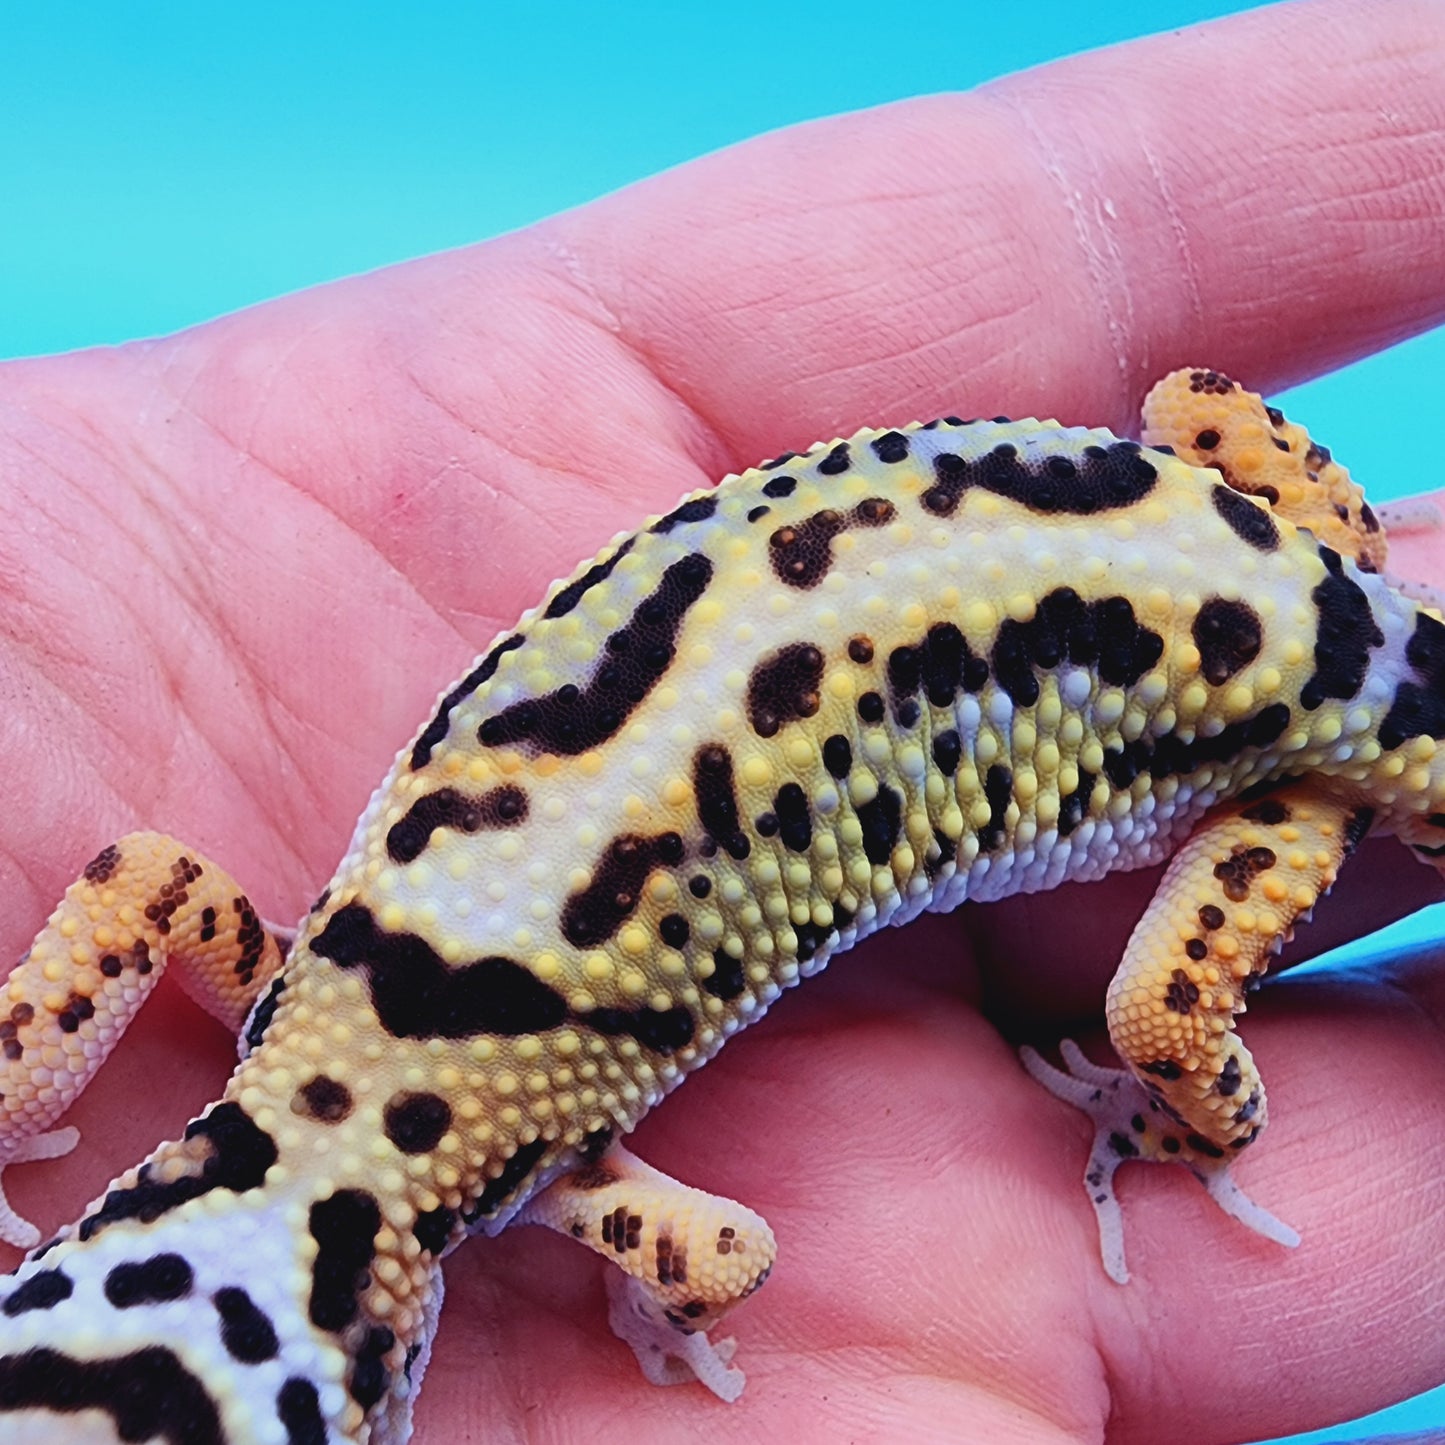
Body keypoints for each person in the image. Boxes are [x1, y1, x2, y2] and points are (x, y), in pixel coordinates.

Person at [1, 2, 1443, 1439]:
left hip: (1251, 701)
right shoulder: (294, 1005)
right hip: (1214, 568)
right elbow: (147, 886)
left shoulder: (527, 1157)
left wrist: (1166, 1106)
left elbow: (722, 1259)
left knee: (1160, 1030)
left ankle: (1202, 1122)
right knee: (1190, 413)